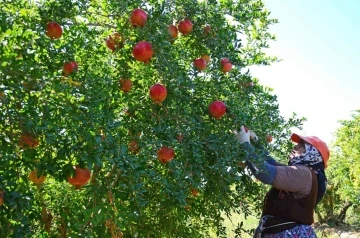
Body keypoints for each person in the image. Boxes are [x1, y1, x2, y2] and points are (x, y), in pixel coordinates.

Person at [234, 126, 330, 238]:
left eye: (301, 145)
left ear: (313, 153)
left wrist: (245, 143)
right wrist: (256, 142)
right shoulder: (304, 173)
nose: (296, 146)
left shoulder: (303, 174)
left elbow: (266, 174)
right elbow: (271, 162)